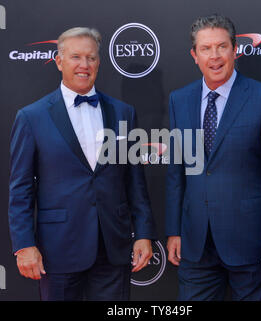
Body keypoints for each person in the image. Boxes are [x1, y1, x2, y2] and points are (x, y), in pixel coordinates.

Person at [8, 27, 157, 301]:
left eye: (90, 58)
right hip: (59, 249)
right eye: (76, 57)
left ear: (99, 62)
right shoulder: (32, 117)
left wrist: (144, 233)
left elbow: (135, 182)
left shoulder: (123, 112)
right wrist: (24, 245)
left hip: (113, 246)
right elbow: (20, 190)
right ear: (59, 61)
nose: (84, 65)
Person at [165, 14, 261, 301]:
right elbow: (176, 172)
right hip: (196, 244)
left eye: (221, 47)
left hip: (251, 244)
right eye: (206, 49)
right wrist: (173, 230)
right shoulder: (179, 100)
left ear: (235, 49)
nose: (215, 56)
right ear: (194, 55)